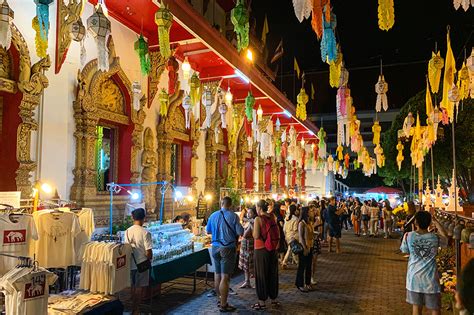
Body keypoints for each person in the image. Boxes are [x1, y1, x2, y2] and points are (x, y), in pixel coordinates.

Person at [400, 211, 447, 315]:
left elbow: (404, 250)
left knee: (416, 308)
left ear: (415, 222)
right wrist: (436, 221)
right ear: (430, 223)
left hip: (413, 280)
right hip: (431, 281)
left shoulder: (408, 236)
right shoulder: (435, 237)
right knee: (435, 309)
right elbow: (446, 238)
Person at [206, 196, 244, 312]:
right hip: (227, 247)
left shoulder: (213, 215)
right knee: (225, 276)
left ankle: (219, 299)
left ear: (221, 204)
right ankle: (223, 304)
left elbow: (208, 231)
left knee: (217, 274)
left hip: (215, 247)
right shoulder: (233, 216)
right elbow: (240, 232)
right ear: (230, 205)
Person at [252, 199, 281, 311]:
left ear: (259, 208)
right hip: (272, 249)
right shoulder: (272, 216)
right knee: (272, 273)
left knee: (261, 275)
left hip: (261, 250)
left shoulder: (258, 219)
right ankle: (273, 299)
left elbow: (256, 235)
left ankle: (262, 302)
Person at [124, 208, 153, 315]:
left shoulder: (127, 232)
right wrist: (149, 258)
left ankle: (132, 308)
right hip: (142, 264)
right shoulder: (145, 232)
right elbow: (148, 253)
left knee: (132, 286)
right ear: (144, 218)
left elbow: (126, 249)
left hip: (131, 264)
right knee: (139, 288)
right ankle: (136, 310)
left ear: (132, 217)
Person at [295, 206, 313, 292]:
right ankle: (300, 284)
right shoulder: (301, 223)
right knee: (302, 266)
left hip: (310, 245)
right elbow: (301, 237)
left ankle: (308, 283)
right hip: (304, 247)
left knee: (309, 266)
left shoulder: (308, 222)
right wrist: (305, 248)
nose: (311, 212)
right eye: (310, 211)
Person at [238, 207, 256, 289]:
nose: (248, 214)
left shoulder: (253, 222)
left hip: (249, 246)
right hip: (245, 245)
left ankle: (252, 282)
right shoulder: (248, 222)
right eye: (248, 213)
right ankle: (247, 281)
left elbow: (245, 234)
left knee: (250, 264)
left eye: (250, 213)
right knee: (246, 265)